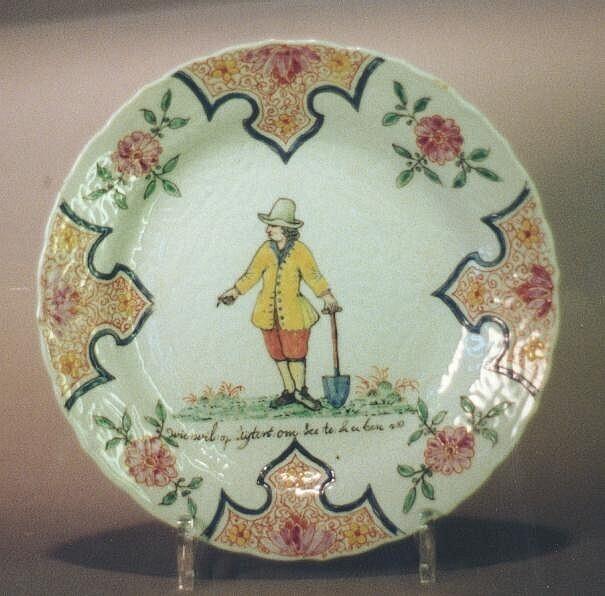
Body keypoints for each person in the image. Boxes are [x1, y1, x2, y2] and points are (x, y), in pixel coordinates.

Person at [218, 198, 340, 411]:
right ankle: (289, 390)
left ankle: (301, 391)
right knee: (277, 353)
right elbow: (252, 274)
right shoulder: (266, 249)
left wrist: (327, 296)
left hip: (294, 313)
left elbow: (313, 275)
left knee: (296, 352)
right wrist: (235, 291)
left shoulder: (300, 250)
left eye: (273, 226)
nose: (268, 230)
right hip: (267, 313)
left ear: (286, 229)